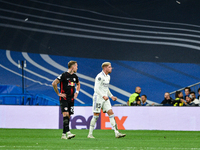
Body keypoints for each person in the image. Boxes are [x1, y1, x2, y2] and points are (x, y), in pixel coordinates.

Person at [87, 62, 126, 139]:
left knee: (111, 113)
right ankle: (90, 134)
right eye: (109, 67)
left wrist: (111, 96)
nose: (111, 68)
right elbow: (96, 88)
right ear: (105, 68)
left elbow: (106, 88)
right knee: (96, 116)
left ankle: (116, 132)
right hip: (98, 98)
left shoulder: (108, 77)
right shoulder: (99, 76)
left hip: (106, 98)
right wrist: (103, 96)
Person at [52, 61, 80, 139]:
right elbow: (54, 83)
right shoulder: (64, 75)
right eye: (76, 66)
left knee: (68, 116)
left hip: (71, 99)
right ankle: (68, 132)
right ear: (73, 67)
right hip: (64, 98)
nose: (77, 68)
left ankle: (64, 134)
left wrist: (76, 92)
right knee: (65, 114)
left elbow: (78, 84)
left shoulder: (75, 76)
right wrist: (58, 93)